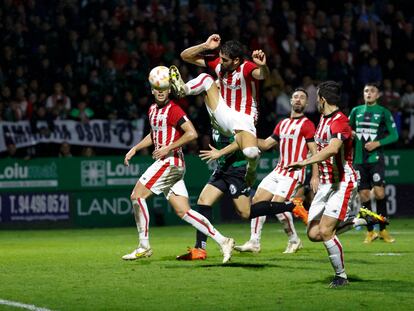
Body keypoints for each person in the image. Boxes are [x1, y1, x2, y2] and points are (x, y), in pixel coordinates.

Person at [122, 66, 235, 263]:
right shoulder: (152, 110)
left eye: (164, 88)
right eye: (157, 88)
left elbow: (192, 133)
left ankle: (144, 245)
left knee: (136, 196)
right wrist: (135, 148)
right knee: (184, 211)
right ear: (152, 89)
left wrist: (168, 148)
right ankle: (223, 240)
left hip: (170, 162)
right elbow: (154, 134)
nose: (161, 91)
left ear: (170, 89)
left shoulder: (173, 110)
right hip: (171, 165)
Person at [287, 81, 387, 288]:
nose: (316, 102)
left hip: (342, 182)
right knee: (314, 234)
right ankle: (359, 219)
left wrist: (304, 162)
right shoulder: (323, 119)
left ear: (322, 99)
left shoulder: (340, 121)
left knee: (325, 231)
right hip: (325, 184)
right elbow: (323, 147)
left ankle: (341, 276)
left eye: (317, 98)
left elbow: (333, 149)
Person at [176, 128, 309, 261]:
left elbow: (241, 141)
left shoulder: (229, 118)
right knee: (204, 200)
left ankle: (291, 206)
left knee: (245, 213)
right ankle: (200, 249)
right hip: (222, 168)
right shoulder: (215, 118)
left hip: (237, 169)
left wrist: (220, 153)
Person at [174, 34, 270, 187]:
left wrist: (263, 65)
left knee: (251, 153)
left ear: (236, 61)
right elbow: (185, 56)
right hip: (223, 113)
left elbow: (262, 75)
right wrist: (205, 46)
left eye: (225, 60)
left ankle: (251, 169)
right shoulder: (219, 63)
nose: (221, 61)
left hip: (243, 119)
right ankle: (182, 89)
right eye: (220, 58)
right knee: (206, 78)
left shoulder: (247, 67)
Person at [235, 88, 319, 254]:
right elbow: (266, 144)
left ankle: (294, 238)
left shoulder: (307, 125)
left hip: (294, 173)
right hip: (278, 171)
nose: (298, 100)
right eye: (295, 97)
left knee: (276, 206)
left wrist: (315, 176)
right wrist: (246, 137)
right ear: (290, 101)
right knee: (258, 202)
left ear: (307, 103)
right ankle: (255, 242)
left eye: (302, 98)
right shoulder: (283, 124)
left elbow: (315, 152)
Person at [349, 82, 399, 243]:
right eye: (366, 91)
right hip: (358, 159)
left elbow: (394, 135)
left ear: (377, 95)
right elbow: (347, 131)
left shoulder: (383, 112)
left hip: (375, 158)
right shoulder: (355, 111)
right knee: (364, 196)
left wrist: (377, 143)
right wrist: (350, 133)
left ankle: (383, 229)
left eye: (372, 91)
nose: (368, 93)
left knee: (379, 193)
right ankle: (370, 232)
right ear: (363, 94)